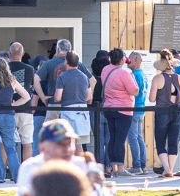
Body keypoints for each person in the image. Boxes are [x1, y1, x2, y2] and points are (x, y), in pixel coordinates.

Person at [14, 120, 90, 196]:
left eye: (70, 143)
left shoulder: (80, 165)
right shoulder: (31, 168)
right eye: (60, 144)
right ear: (42, 148)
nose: (67, 149)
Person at [98, 49, 138, 178]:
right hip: (123, 109)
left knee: (112, 138)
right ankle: (120, 168)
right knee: (120, 139)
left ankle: (113, 167)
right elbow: (134, 91)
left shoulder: (105, 70)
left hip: (109, 107)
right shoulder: (124, 72)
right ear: (122, 59)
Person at [150, 51, 180, 179]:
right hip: (178, 110)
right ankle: (170, 169)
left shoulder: (157, 78)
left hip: (162, 111)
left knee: (160, 141)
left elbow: (151, 98)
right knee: (173, 141)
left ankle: (167, 169)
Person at [52, 51, 94, 150]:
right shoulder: (84, 77)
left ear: (66, 62)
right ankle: (79, 164)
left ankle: (68, 164)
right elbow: (89, 97)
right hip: (82, 111)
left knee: (67, 143)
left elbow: (57, 97)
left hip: (68, 111)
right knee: (79, 144)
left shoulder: (62, 77)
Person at [34, 39, 71, 146]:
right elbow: (92, 80)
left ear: (57, 49)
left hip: (53, 104)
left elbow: (36, 78)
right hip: (71, 106)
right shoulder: (76, 64)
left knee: (49, 137)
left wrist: (42, 97)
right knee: (69, 138)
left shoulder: (48, 63)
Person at [6, 42, 37, 163]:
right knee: (27, 142)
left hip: (7, 110)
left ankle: (7, 169)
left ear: (9, 54)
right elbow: (33, 89)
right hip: (25, 109)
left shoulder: (4, 69)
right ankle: (26, 169)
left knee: (6, 142)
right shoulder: (30, 69)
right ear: (22, 54)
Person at [125, 50, 148, 175]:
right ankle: (143, 165)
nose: (127, 62)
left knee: (132, 137)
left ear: (135, 60)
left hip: (134, 108)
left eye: (129, 59)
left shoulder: (134, 75)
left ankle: (137, 165)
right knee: (139, 137)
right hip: (142, 107)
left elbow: (133, 91)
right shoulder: (143, 74)